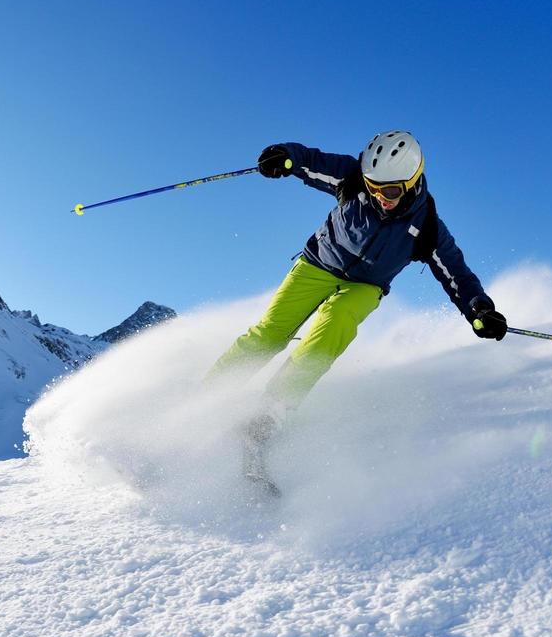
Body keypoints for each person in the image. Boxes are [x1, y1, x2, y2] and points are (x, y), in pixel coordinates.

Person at [206, 130, 507, 482]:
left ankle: (267, 417)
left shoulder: (426, 227)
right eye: (373, 187)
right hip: (318, 264)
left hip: (365, 286)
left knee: (335, 324)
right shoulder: (353, 179)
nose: (380, 198)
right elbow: (310, 161)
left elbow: (457, 273)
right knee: (269, 333)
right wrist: (284, 156)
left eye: (390, 191)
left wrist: (479, 310)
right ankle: (207, 398)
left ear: (411, 183)